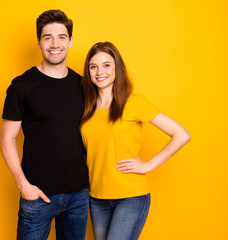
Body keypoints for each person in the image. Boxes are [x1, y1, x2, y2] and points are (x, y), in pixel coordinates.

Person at [80, 41, 191, 240]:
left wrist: (149, 165)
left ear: (117, 69)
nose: (99, 71)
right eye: (93, 67)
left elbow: (181, 135)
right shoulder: (86, 109)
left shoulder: (133, 102)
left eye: (106, 65)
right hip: (96, 197)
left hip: (130, 196)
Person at [0, 10, 89, 240]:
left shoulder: (82, 85)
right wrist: (23, 185)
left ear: (70, 41)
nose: (54, 43)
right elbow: (7, 138)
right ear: (39, 42)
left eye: (61, 37)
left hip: (79, 194)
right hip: (37, 195)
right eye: (47, 37)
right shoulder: (22, 86)